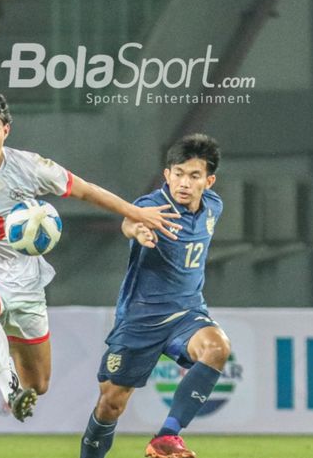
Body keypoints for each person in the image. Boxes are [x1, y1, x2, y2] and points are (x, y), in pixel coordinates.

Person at [0, 91, 182, 422]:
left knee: (39, 383)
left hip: (25, 282)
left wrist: (135, 212)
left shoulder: (28, 167)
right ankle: (8, 390)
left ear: (6, 130)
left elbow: (85, 190)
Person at [79, 134, 231, 458]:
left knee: (217, 347)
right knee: (111, 404)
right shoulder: (153, 205)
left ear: (209, 180)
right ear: (167, 174)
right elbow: (129, 221)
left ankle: (167, 437)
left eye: (194, 175)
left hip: (186, 313)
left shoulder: (213, 206)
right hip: (141, 319)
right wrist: (138, 230)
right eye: (178, 173)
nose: (184, 183)